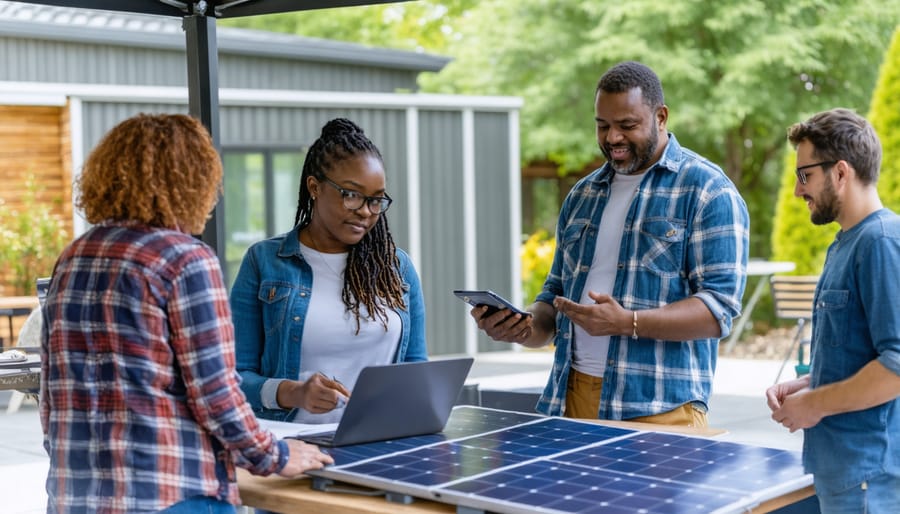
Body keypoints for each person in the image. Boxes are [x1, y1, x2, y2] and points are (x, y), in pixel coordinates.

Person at [40, 113, 332, 514]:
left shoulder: (73, 257)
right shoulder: (186, 260)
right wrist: (276, 455)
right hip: (171, 495)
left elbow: (52, 393)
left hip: (74, 496)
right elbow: (216, 394)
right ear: (191, 181)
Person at [472, 61, 749, 426]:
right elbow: (555, 297)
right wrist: (523, 328)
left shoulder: (708, 190)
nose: (612, 138)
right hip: (569, 400)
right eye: (602, 126)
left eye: (627, 126)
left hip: (661, 409)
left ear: (661, 117)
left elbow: (718, 311)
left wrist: (627, 322)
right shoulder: (582, 195)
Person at [230, 117, 427, 424]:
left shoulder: (396, 268)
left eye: (375, 200)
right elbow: (231, 378)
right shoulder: (264, 261)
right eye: (351, 194)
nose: (365, 210)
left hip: (380, 442)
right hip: (292, 448)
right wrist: (292, 392)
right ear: (314, 187)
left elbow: (416, 369)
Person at [766, 108, 900, 513]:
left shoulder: (880, 242)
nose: (796, 191)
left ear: (841, 173)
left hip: (868, 479)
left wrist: (815, 404)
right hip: (841, 474)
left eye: (804, 175)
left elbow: (896, 365)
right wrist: (810, 385)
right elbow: (859, 355)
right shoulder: (844, 243)